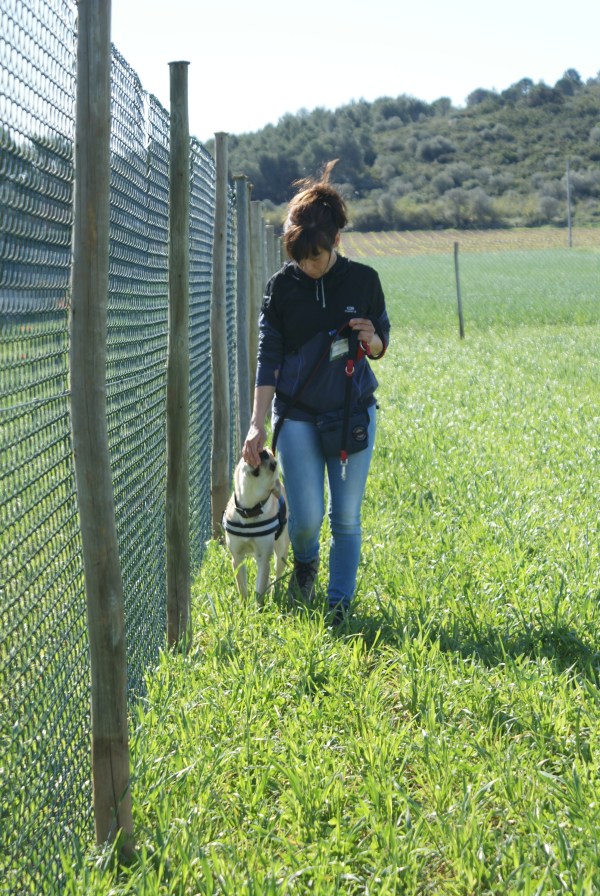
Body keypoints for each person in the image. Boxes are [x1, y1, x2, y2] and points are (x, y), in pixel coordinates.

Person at [242, 159, 390, 622]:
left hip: (352, 414)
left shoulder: (364, 280)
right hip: (299, 416)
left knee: (346, 518)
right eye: (298, 258)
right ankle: (305, 561)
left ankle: (339, 606)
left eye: (316, 256)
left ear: (336, 241)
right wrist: (256, 423)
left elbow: (381, 342)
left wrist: (372, 339)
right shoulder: (280, 289)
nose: (307, 266)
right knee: (306, 519)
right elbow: (268, 358)